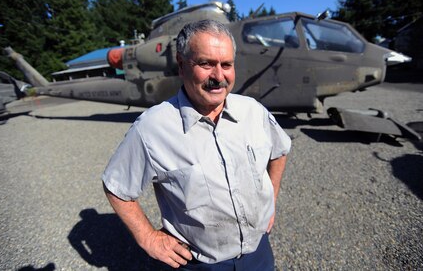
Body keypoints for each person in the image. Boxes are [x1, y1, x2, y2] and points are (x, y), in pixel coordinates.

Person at [102, 19, 291, 270]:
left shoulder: (253, 112)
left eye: (227, 65)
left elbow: (279, 151)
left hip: (259, 255)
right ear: (181, 65)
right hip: (199, 263)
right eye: (206, 64)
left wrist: (271, 201)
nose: (218, 76)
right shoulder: (152, 128)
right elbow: (116, 187)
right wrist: (147, 237)